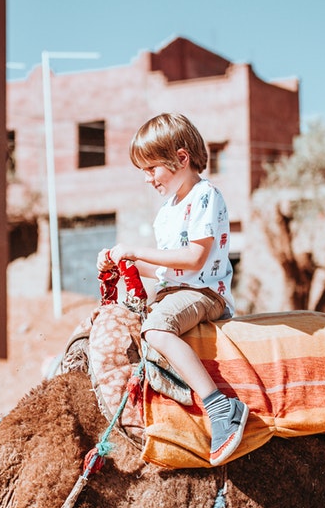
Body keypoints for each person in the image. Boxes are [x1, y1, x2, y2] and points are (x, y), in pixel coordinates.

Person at [98, 112, 248, 467]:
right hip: (174, 291)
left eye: (152, 169)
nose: (148, 179)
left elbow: (194, 259)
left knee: (155, 329)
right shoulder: (167, 211)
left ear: (181, 158)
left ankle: (219, 404)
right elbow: (166, 266)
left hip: (202, 292)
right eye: (144, 172)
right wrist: (126, 267)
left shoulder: (205, 196)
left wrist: (134, 251)